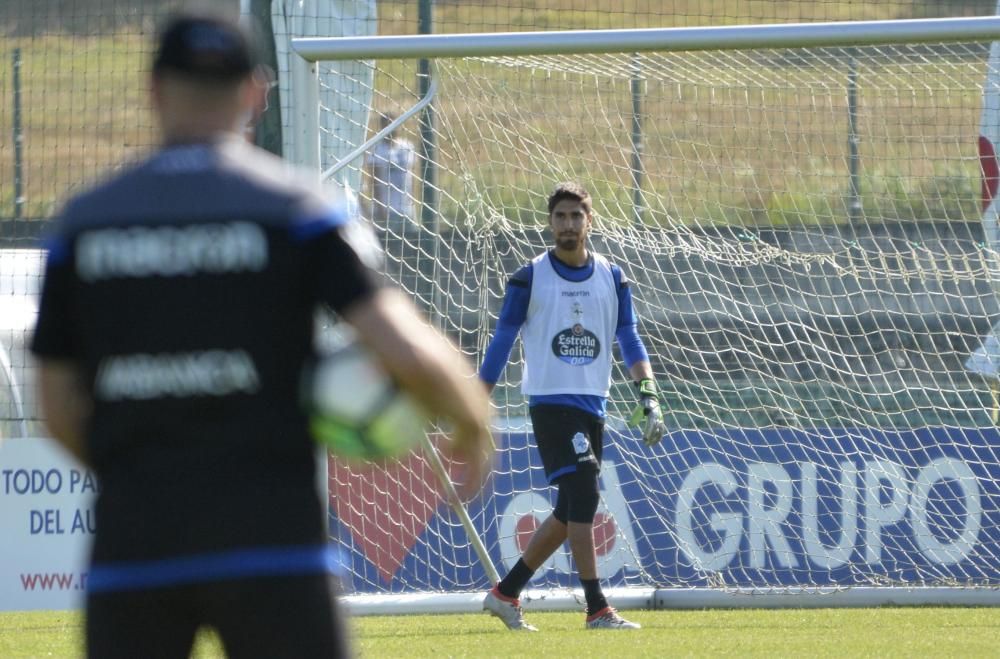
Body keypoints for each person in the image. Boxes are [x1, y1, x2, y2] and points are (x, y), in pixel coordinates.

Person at [31, 12, 493, 659]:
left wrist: (144, 468)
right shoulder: (297, 208)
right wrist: (472, 419)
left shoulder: (83, 222)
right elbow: (404, 348)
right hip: (273, 542)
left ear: (154, 90)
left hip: (135, 543)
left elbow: (54, 408)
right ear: (254, 92)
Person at [479, 182, 665, 631]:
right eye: (560, 216)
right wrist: (476, 393)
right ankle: (597, 608)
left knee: (570, 509)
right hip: (550, 402)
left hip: (593, 405)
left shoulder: (613, 277)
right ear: (550, 223)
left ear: (590, 220)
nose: (567, 224)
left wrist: (649, 395)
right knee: (585, 494)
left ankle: (505, 593)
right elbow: (503, 338)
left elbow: (629, 338)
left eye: (575, 216)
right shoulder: (529, 277)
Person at [365, 113, 417, 238]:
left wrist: (413, 202)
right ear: (382, 127)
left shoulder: (407, 146)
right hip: (387, 209)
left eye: (393, 124)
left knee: (412, 243)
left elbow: (412, 176)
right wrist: (381, 207)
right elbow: (374, 180)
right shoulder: (377, 148)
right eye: (387, 125)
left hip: (406, 209)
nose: (391, 128)